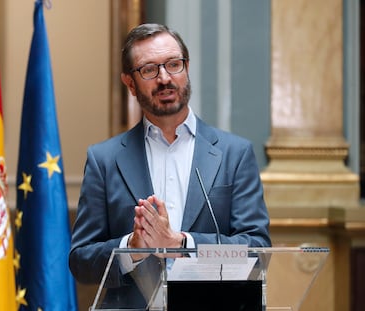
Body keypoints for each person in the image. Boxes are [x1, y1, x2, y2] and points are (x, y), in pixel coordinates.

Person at [69, 23, 271, 308]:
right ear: (130, 83)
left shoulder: (234, 154)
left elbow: (259, 251)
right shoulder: (105, 160)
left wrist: (180, 243)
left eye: (174, 65)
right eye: (149, 70)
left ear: (186, 69)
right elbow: (81, 261)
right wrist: (132, 248)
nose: (165, 78)